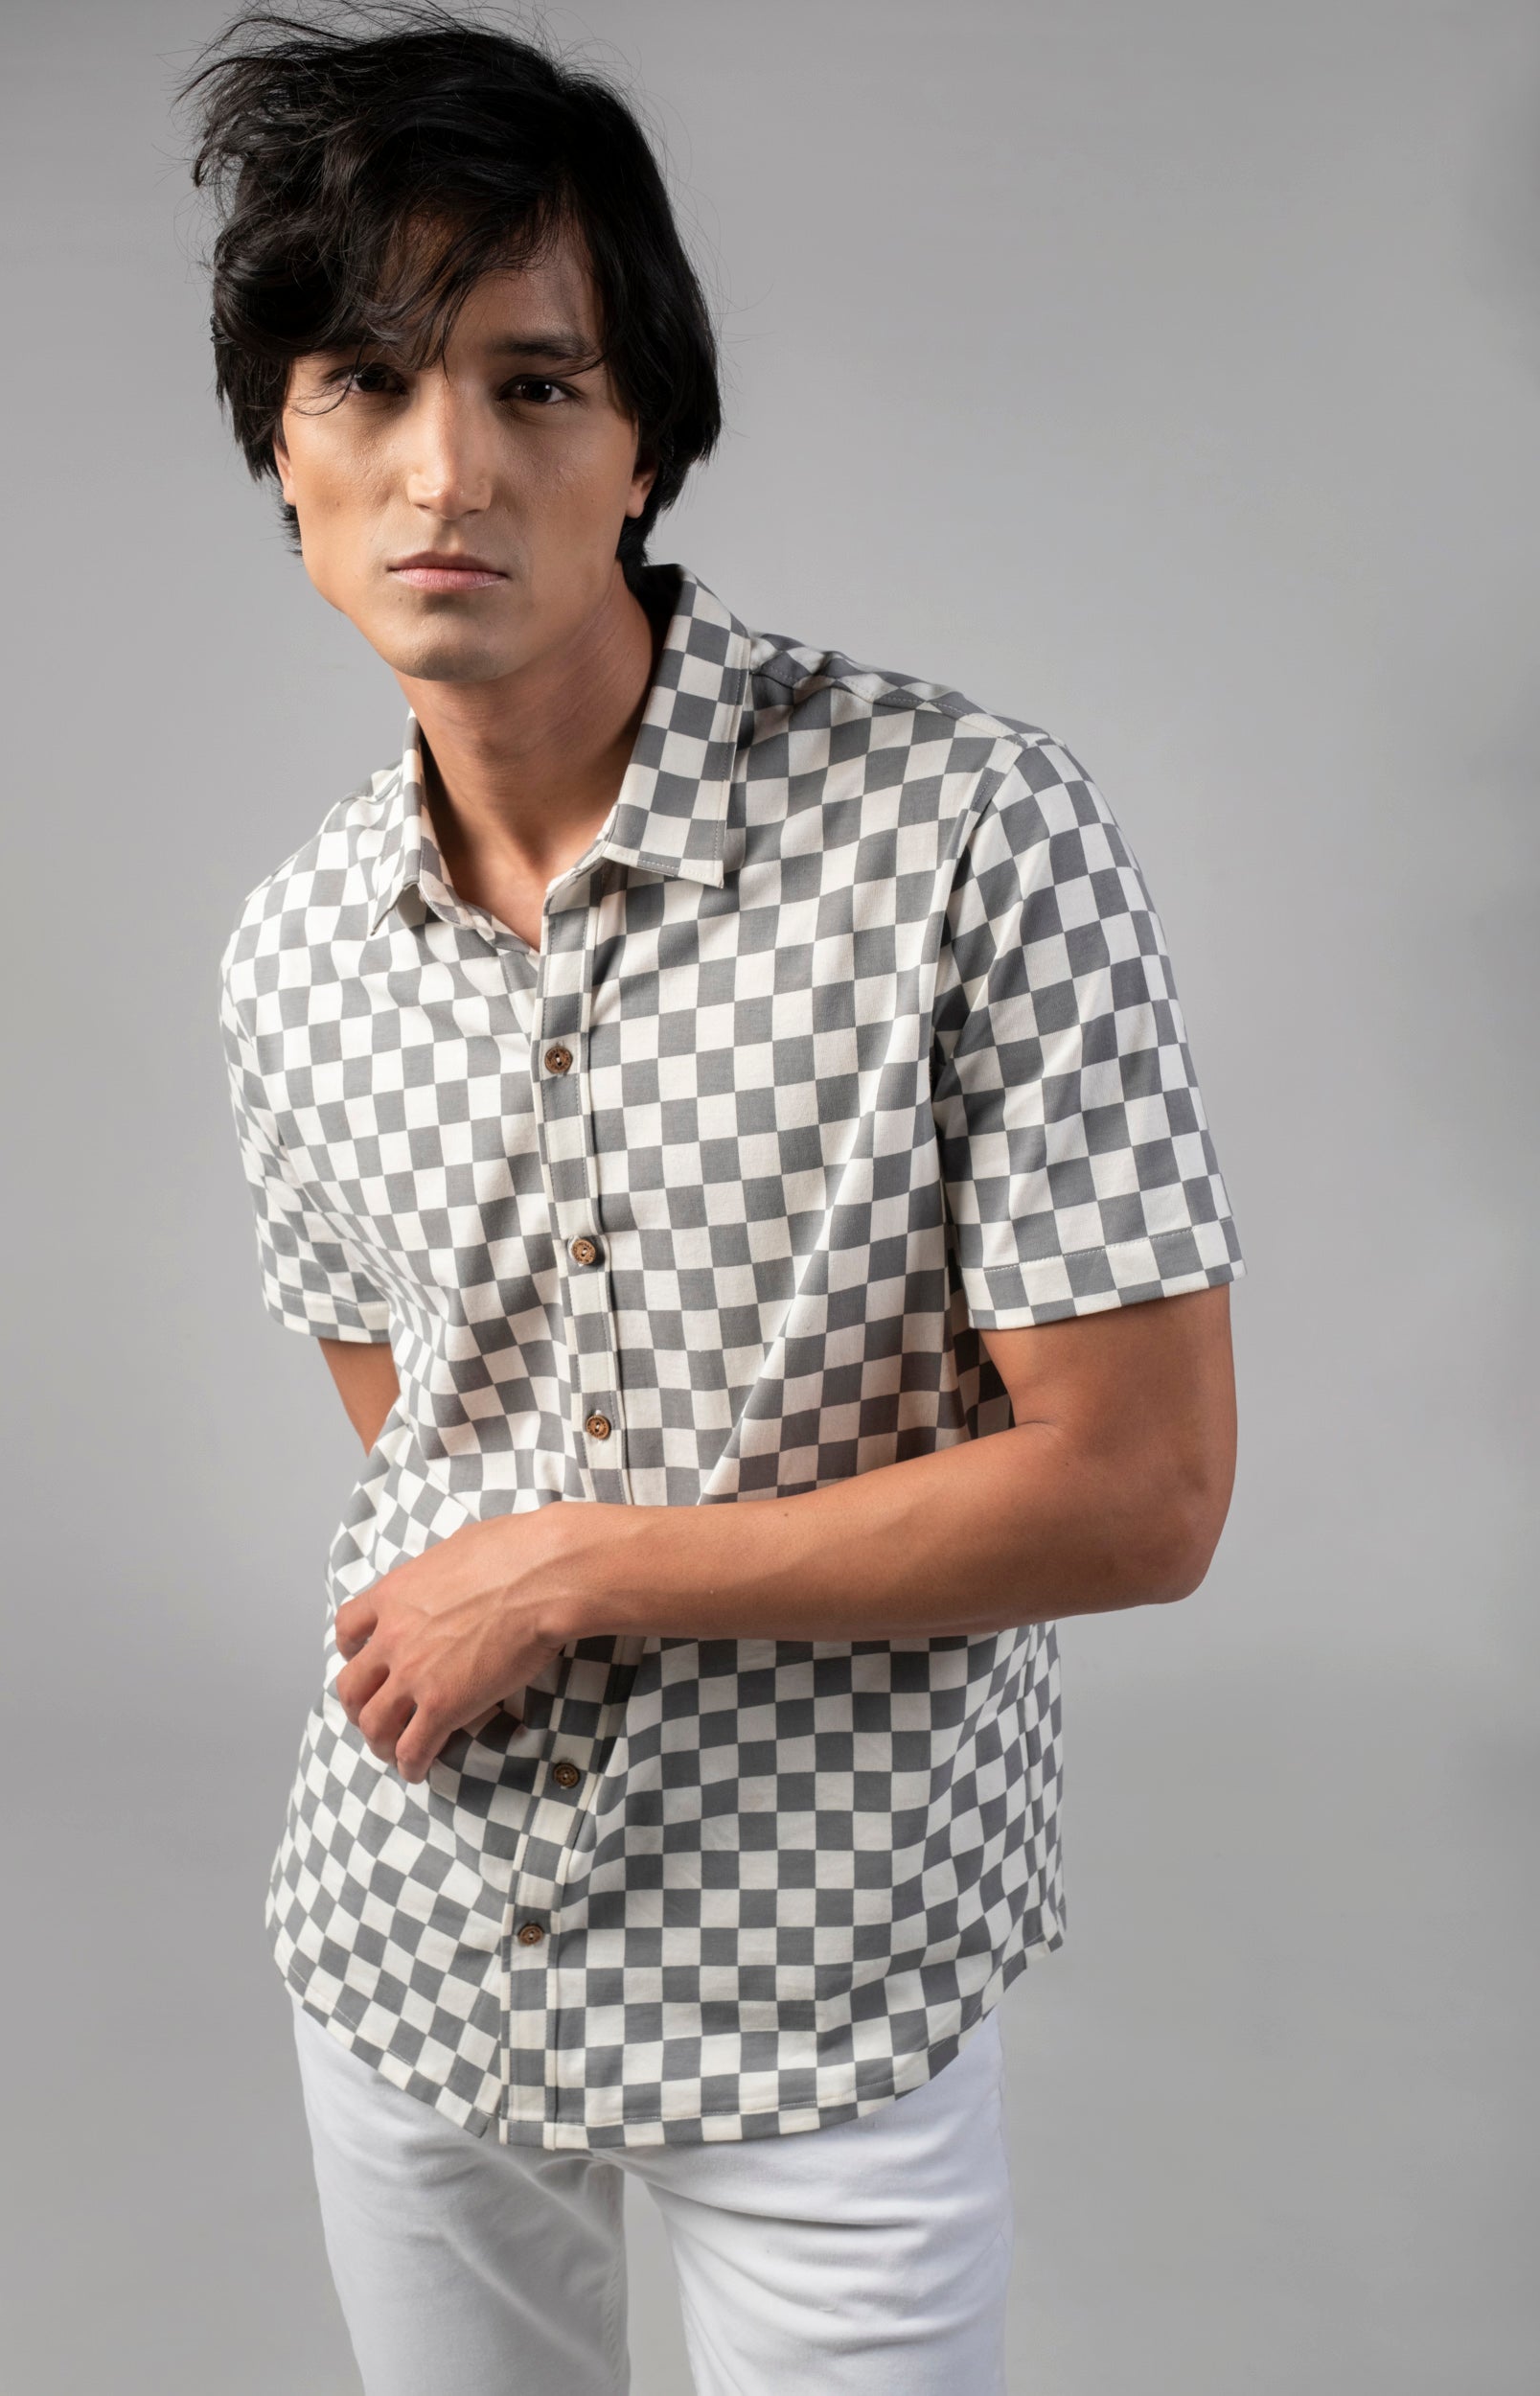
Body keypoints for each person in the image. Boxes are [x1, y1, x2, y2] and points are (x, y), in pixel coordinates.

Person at [182, 8, 1244, 2391]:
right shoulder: (291, 950)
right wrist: (505, 1546)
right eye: (366, 381)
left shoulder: (966, 832)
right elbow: (423, 1435)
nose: (449, 466)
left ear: (645, 435)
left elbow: (1145, 1489)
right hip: (413, 1941)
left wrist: (578, 1566)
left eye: (535, 383)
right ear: (285, 450)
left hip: (822, 1974)